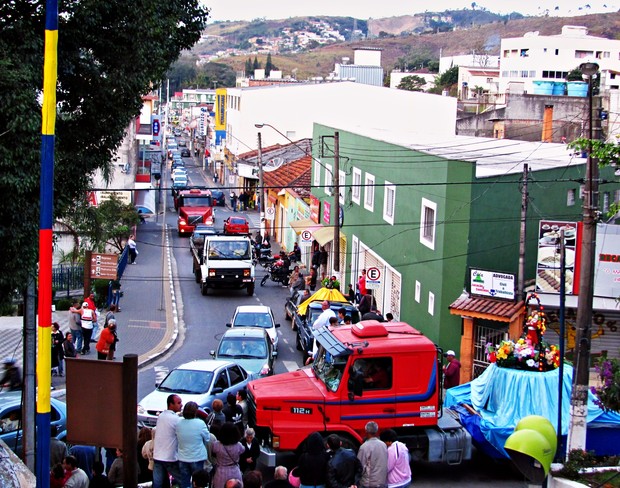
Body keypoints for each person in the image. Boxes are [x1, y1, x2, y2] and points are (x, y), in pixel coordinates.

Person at [177, 401, 210, 488]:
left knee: (184, 482)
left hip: (182, 457)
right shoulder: (200, 423)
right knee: (198, 483)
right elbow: (207, 438)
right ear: (195, 412)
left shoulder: (178, 423)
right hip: (197, 457)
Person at [153, 394, 183, 488]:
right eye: (178, 403)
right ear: (171, 404)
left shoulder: (161, 416)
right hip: (170, 456)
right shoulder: (176, 419)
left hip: (158, 455)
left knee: (157, 483)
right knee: (183, 481)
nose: (181, 405)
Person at [211, 422, 244, 488]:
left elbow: (213, 452)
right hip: (235, 472)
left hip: (221, 472)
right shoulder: (239, 446)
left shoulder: (217, 445)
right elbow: (243, 450)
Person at [357, 421, 388, 488]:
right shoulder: (383, 445)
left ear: (366, 431)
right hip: (382, 481)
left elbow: (360, 467)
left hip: (369, 483)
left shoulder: (364, 447)